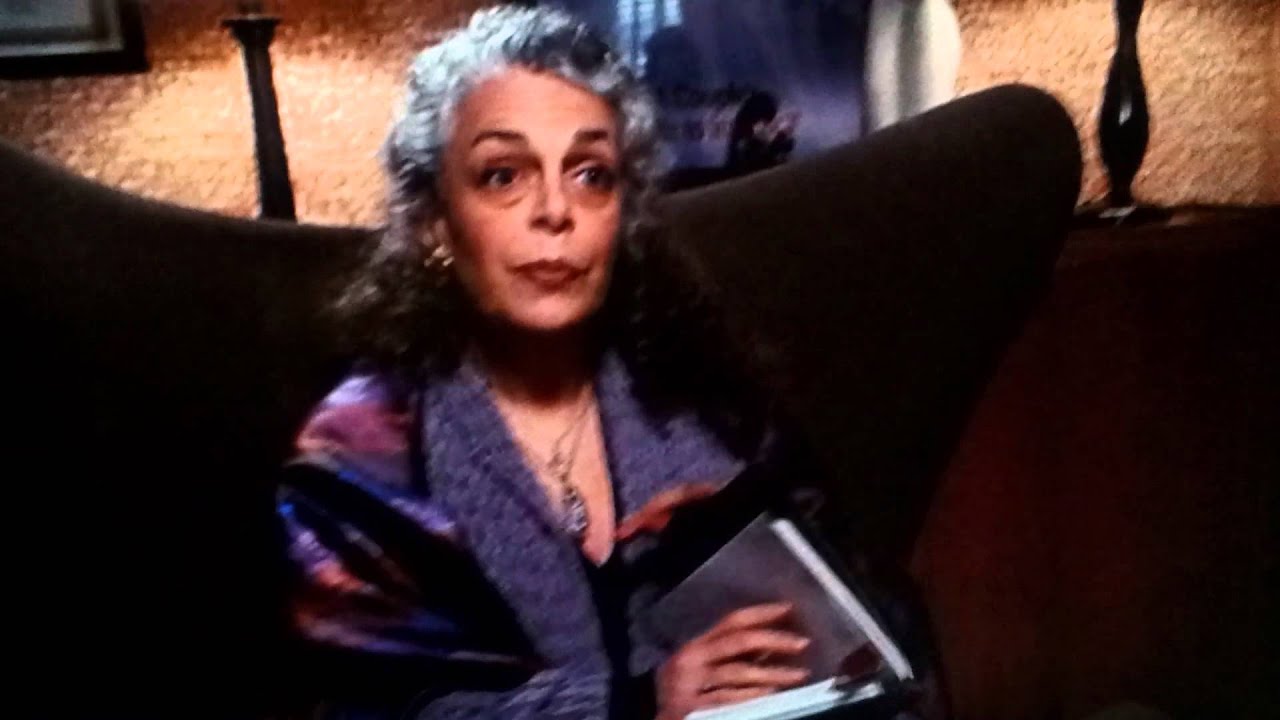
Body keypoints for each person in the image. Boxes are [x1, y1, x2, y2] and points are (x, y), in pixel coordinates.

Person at [277, 7, 943, 719]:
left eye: (591, 174)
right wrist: (636, 704)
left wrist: (834, 653)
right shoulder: (359, 458)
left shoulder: (713, 406)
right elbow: (379, 706)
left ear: (620, 217)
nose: (555, 209)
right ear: (433, 223)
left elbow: (867, 634)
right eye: (503, 175)